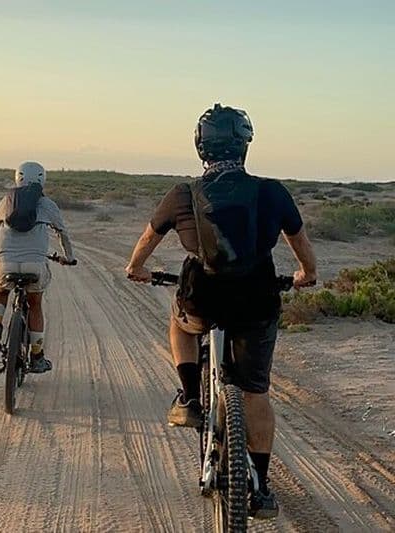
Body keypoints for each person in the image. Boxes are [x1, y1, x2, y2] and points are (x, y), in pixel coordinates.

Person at [125, 104, 317, 519]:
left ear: (201, 147)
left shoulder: (183, 193)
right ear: (245, 145)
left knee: (180, 325)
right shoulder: (271, 191)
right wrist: (306, 274)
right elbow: (300, 244)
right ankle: (260, 487)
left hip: (202, 296)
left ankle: (189, 396)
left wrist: (136, 269)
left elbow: (146, 239)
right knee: (255, 393)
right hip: (256, 300)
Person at [0, 161, 76, 372]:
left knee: (0, 290)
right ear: (43, 180)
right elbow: (63, 233)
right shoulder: (48, 205)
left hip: (5, 263)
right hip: (35, 265)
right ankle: (37, 355)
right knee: (35, 304)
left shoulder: (7, 201)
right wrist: (69, 257)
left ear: (18, 178)